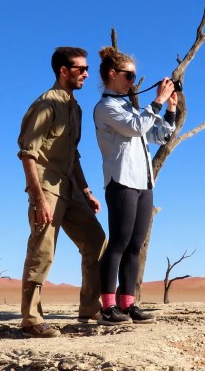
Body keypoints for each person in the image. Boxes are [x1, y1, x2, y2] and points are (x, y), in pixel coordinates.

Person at [16, 46, 107, 338]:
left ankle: (90, 310)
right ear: (63, 71)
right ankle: (31, 319)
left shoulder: (75, 108)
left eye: (87, 68)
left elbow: (74, 155)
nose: (87, 74)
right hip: (47, 185)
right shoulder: (45, 105)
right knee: (43, 249)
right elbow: (28, 154)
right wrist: (38, 197)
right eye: (80, 69)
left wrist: (86, 189)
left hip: (70, 186)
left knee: (96, 240)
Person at [92, 46, 177, 325]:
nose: (132, 81)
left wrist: (171, 109)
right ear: (113, 74)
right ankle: (107, 307)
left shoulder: (128, 106)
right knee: (118, 242)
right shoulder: (105, 107)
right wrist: (157, 101)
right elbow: (136, 127)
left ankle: (127, 304)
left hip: (143, 182)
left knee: (135, 245)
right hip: (121, 181)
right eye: (129, 76)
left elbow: (157, 135)